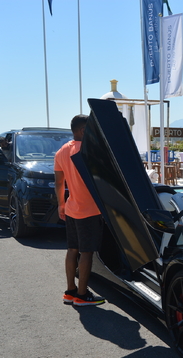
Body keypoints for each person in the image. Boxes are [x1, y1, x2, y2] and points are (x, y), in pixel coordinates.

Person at [54, 114, 105, 307]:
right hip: (89, 210)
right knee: (86, 252)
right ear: (83, 130)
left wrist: (61, 204)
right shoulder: (89, 150)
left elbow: (59, 182)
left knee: (72, 250)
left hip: (72, 208)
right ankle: (82, 295)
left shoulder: (61, 152)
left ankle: (70, 291)